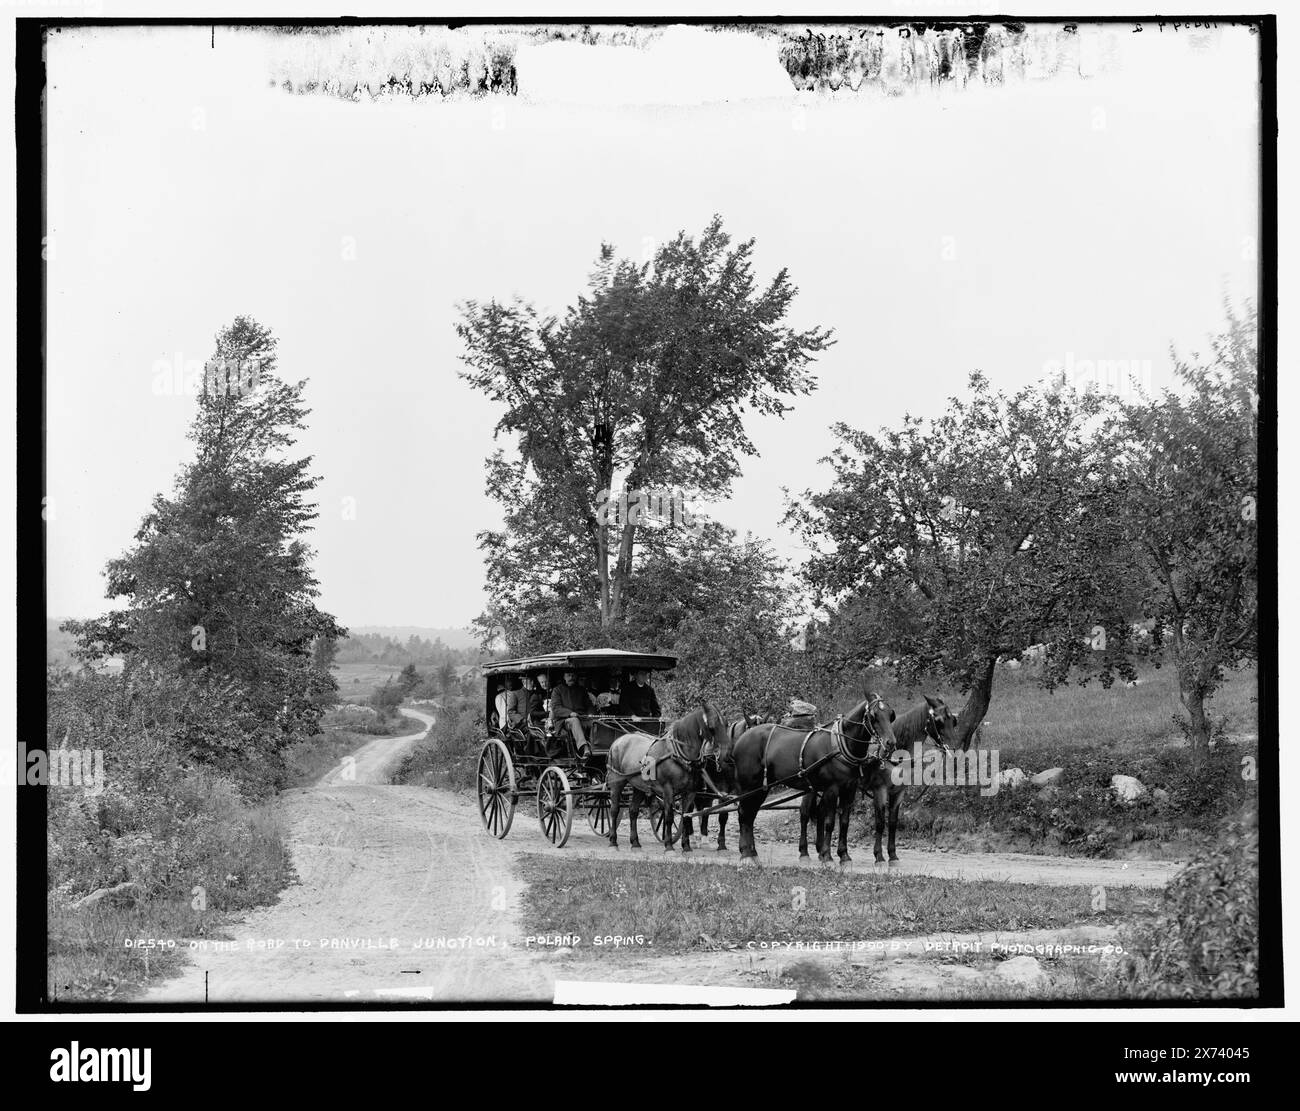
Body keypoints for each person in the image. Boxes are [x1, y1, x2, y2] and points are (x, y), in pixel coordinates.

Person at [549, 669, 592, 757]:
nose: (571, 677)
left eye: (573, 675)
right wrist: (570, 713)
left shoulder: (581, 690)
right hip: (564, 721)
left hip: (582, 718)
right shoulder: (557, 690)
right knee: (574, 721)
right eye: (568, 675)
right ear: (564, 677)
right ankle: (584, 747)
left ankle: (598, 747)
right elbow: (556, 708)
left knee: (596, 722)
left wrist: (591, 714)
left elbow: (589, 705)